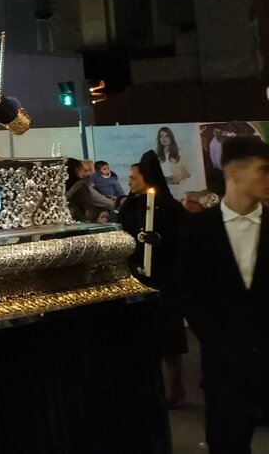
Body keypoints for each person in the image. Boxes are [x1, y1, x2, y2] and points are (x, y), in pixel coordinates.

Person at [178, 135, 269, 454]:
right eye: (264, 170)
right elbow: (189, 296)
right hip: (225, 367)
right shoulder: (198, 231)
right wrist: (223, 345)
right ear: (234, 173)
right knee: (229, 443)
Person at [119, 152, 188, 408]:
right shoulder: (129, 205)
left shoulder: (170, 207)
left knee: (168, 336)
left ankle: (176, 385)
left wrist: (161, 241)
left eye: (134, 177)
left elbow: (181, 239)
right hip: (139, 277)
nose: (130, 181)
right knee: (145, 337)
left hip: (164, 277)